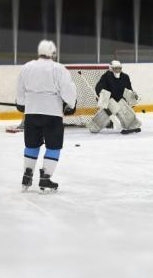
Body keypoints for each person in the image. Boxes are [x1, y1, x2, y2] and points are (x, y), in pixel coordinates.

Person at [15, 40, 77, 193]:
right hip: (52, 114)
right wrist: (71, 104)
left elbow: (20, 89)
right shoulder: (59, 68)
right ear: (53, 53)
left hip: (31, 113)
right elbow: (68, 89)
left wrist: (21, 103)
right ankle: (45, 179)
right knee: (53, 146)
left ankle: (27, 175)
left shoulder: (27, 67)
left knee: (31, 144)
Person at [88, 60, 142, 134]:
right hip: (109, 100)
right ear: (110, 68)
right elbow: (99, 87)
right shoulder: (106, 77)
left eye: (119, 68)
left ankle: (131, 125)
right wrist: (102, 96)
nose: (117, 70)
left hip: (120, 100)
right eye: (115, 68)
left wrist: (133, 95)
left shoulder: (125, 77)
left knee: (126, 111)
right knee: (114, 108)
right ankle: (93, 127)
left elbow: (129, 89)